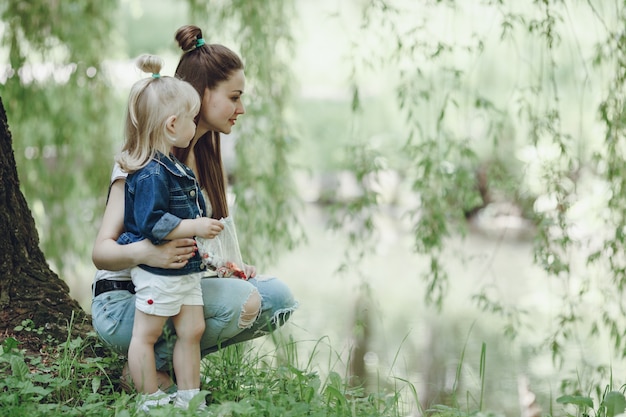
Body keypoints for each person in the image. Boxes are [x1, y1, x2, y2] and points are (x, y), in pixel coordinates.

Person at [90, 25, 297, 402]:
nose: (241, 108)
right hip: (126, 299)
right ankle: (143, 367)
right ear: (202, 96)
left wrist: (224, 268)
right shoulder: (143, 163)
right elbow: (102, 251)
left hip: (174, 289)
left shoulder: (199, 157)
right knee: (245, 301)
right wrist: (148, 253)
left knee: (276, 298)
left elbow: (187, 247)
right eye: (234, 97)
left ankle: (164, 369)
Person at [116, 54, 214, 411]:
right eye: (191, 118)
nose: (194, 124)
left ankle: (190, 396)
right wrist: (196, 226)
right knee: (147, 334)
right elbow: (153, 225)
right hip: (158, 273)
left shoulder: (171, 165)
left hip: (183, 270)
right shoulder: (152, 173)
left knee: (193, 330)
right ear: (173, 125)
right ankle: (150, 398)